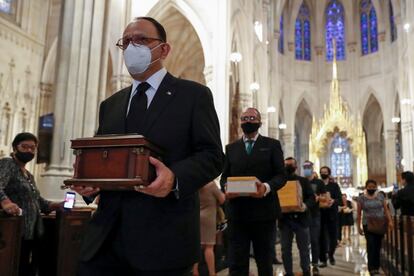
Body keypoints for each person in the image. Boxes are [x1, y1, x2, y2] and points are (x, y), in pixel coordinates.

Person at [72, 17, 223, 276]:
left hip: (164, 241)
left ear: (164, 49)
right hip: (105, 241)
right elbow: (105, 158)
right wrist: (89, 184)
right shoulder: (111, 105)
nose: (132, 47)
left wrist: (174, 178)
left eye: (141, 39)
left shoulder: (193, 95)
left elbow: (212, 156)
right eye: (126, 42)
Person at [220, 107, 286, 276]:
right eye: (244, 118)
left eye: (252, 117)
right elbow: (224, 177)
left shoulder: (272, 145)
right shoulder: (231, 148)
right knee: (236, 263)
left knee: (264, 262)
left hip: (264, 214)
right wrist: (226, 189)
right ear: (240, 122)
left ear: (259, 122)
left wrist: (266, 187)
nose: (248, 121)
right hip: (237, 214)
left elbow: (281, 175)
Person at [0, 132, 63, 276]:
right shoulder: (8, 163)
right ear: (15, 148)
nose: (29, 151)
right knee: (14, 265)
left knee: (28, 267)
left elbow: (38, 201)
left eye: (32, 148)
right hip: (14, 228)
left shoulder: (28, 175)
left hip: (32, 229)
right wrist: (6, 202)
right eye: (25, 147)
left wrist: (57, 205)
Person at [279, 157, 315, 276]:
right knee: (285, 249)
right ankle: (288, 272)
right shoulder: (279, 181)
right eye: (286, 165)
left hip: (301, 219)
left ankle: (306, 270)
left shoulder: (303, 181)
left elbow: (311, 198)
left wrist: (305, 205)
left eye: (291, 165)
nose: (288, 167)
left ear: (296, 167)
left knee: (304, 249)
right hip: (285, 220)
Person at [357, 179, 393, 275]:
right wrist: (358, 227)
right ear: (366, 187)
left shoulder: (380, 196)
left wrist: (390, 221)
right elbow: (359, 213)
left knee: (377, 246)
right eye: (369, 187)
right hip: (367, 224)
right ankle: (371, 268)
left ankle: (376, 267)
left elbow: (386, 210)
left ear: (376, 187)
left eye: (373, 187)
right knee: (371, 245)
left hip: (380, 224)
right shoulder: (361, 198)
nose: (371, 188)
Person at [193, 181, 225, 276]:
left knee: (198, 245)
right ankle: (212, 273)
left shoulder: (194, 184)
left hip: (197, 216)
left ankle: (195, 271)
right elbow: (222, 199)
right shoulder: (211, 185)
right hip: (209, 217)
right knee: (209, 247)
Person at [302, 160, 325, 275]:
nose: (306, 169)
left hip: (315, 214)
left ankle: (315, 263)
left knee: (314, 240)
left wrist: (318, 198)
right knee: (304, 242)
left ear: (312, 168)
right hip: (303, 215)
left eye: (308, 167)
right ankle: (305, 264)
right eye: (304, 167)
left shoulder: (319, 183)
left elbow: (325, 198)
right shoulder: (301, 181)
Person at [318, 166, 342, 267]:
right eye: (322, 172)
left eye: (325, 172)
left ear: (329, 173)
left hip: (332, 214)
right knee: (321, 238)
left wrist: (333, 201)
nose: (323, 173)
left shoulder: (334, 186)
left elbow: (340, 199)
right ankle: (323, 259)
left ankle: (331, 254)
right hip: (320, 214)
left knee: (333, 237)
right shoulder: (317, 184)